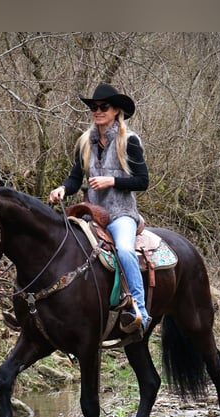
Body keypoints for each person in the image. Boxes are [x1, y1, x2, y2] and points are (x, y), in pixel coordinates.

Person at [49, 83, 150, 335]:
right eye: (94, 107)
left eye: (103, 106)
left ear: (116, 110)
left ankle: (139, 310)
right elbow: (74, 179)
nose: (98, 111)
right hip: (90, 214)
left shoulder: (130, 141)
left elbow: (143, 181)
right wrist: (62, 188)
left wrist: (112, 181)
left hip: (120, 214)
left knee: (125, 251)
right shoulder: (84, 142)